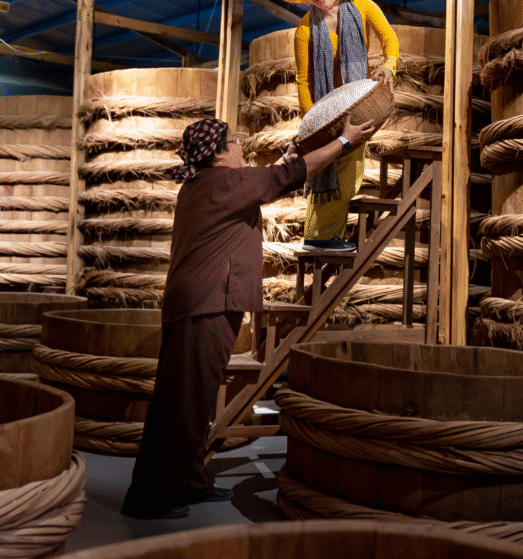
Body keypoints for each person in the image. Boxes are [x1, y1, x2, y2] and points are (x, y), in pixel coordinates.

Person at [120, 113, 375, 520]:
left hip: (200, 303)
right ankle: (154, 497)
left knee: (194, 398)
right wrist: (344, 142)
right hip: (205, 304)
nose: (242, 147)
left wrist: (289, 160)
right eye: (236, 142)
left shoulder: (204, 184)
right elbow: (286, 177)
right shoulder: (224, 183)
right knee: (184, 403)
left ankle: (191, 482)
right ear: (220, 154)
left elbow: (275, 176)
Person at [278, 0, 399, 252]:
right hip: (325, 111)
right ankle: (320, 237)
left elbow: (389, 40)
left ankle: (321, 235)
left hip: (359, 103)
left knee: (351, 171)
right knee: (329, 165)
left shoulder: (364, 7)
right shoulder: (305, 28)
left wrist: (389, 65)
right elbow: (304, 81)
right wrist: (313, 120)